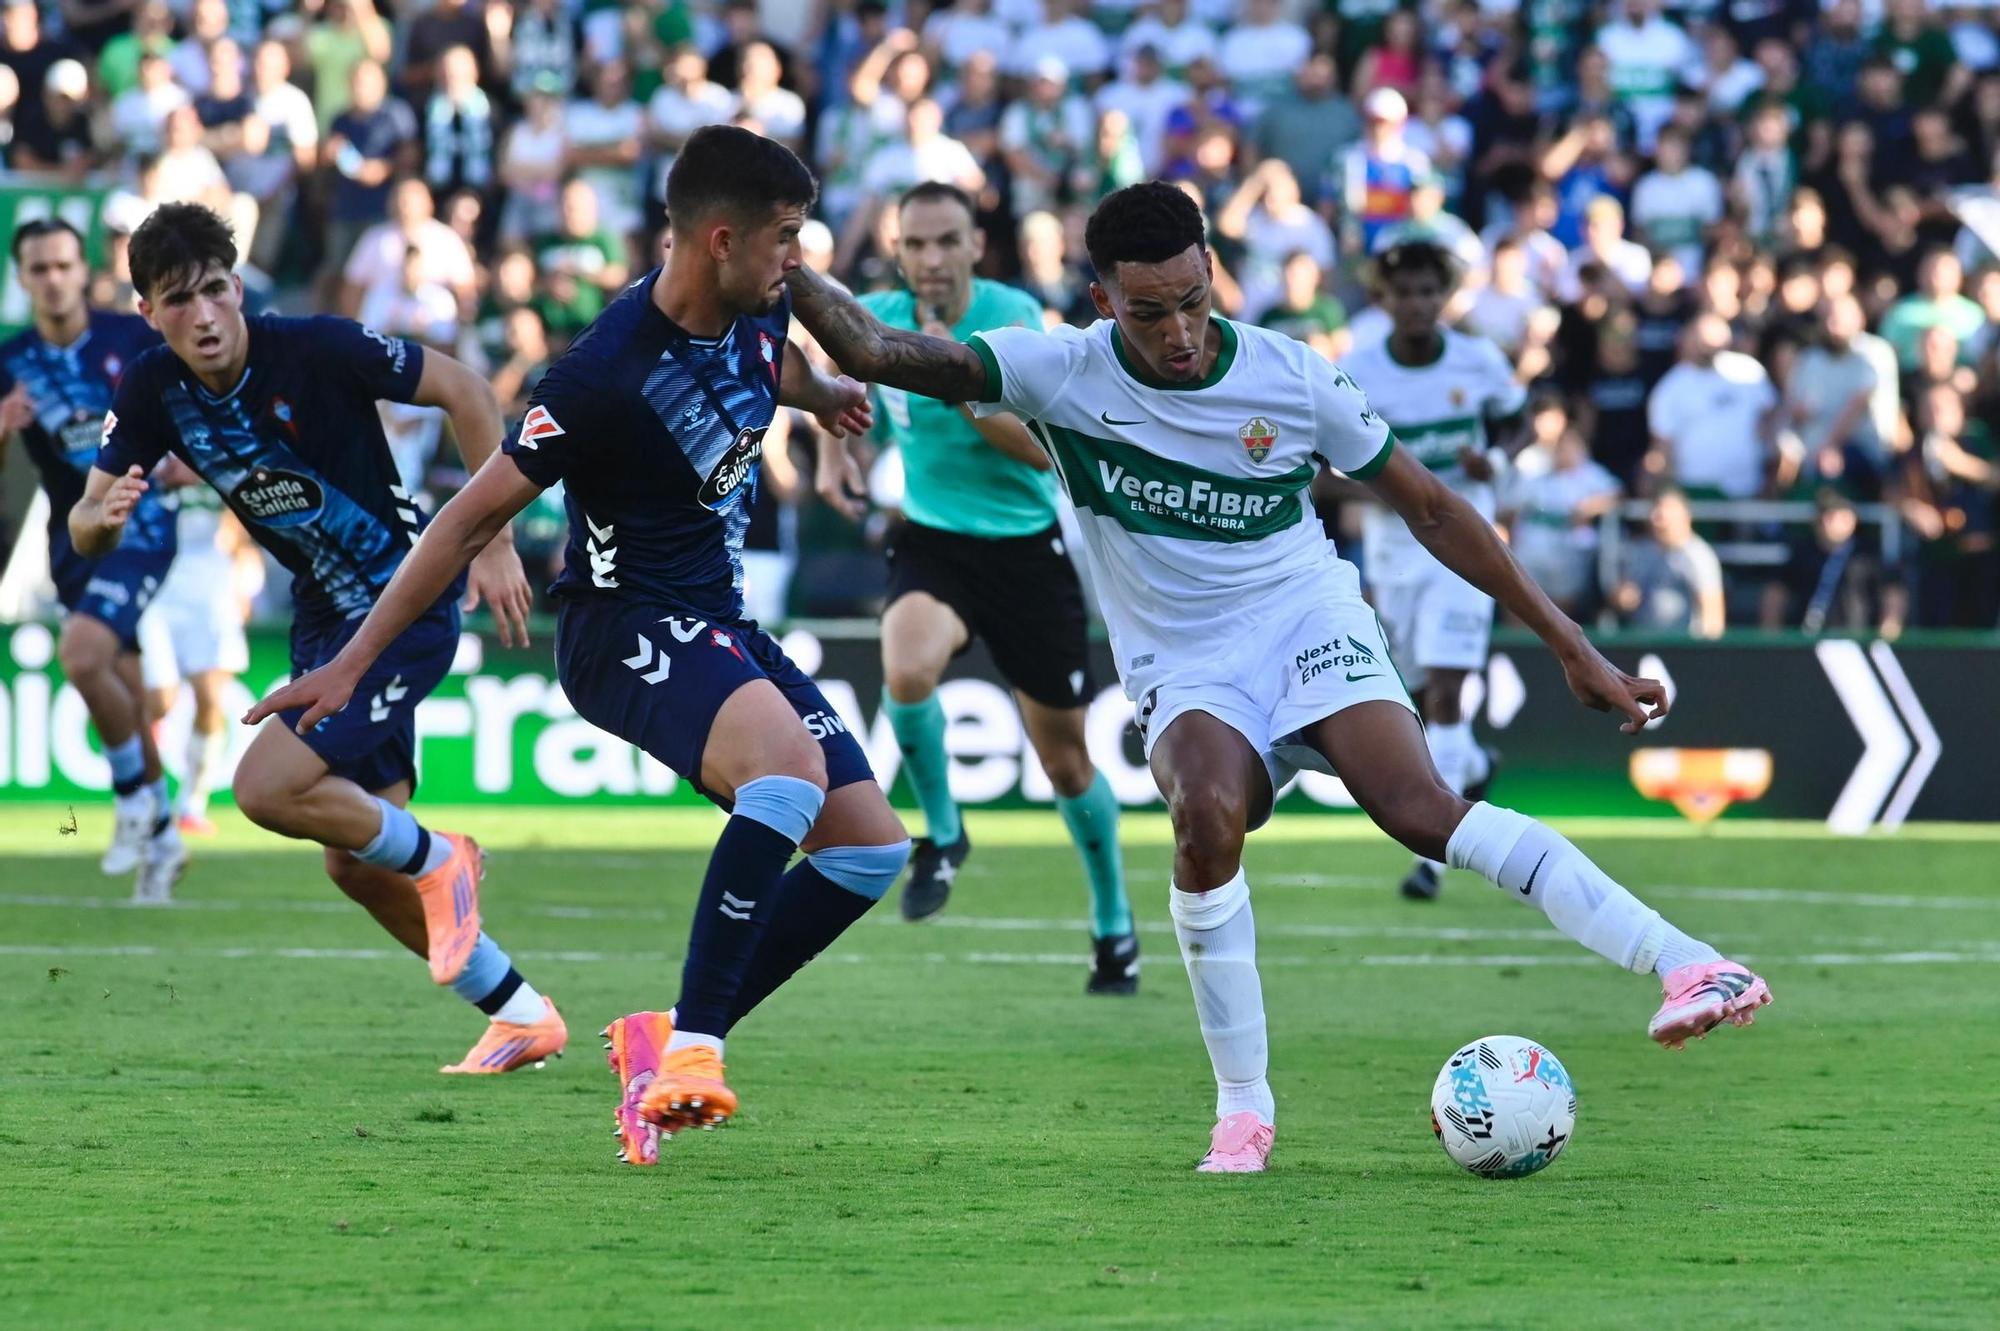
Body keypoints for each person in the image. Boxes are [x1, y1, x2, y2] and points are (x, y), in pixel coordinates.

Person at [787, 180, 1770, 1174]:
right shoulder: (1058, 371)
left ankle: (1687, 961)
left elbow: (1431, 506)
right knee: (1207, 814)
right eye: (1146, 311)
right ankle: (1243, 1109)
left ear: (1213, 272)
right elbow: (874, 352)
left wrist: (1570, 643)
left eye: (1192, 300)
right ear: (1100, 300)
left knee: (1418, 807)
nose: (1177, 331)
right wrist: (785, 268)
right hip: (1183, 657)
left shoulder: (1292, 376)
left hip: (1305, 616)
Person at [248, 128, 911, 1167]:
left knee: (868, 848)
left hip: (719, 621)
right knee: (784, 775)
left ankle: (663, 1032)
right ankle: (694, 1053)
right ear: (721, 239)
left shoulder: (761, 301)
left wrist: (824, 397)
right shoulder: (601, 375)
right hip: (622, 625)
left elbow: (764, 366)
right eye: (786, 236)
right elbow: (464, 520)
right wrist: (351, 661)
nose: (799, 256)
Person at [69, 202, 559, 1075]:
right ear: (148, 312)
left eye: (215, 290)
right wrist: (101, 521)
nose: (205, 315)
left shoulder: (317, 345)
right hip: (323, 615)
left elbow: (468, 389)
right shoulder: (150, 388)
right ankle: (520, 1012)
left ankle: (445, 858)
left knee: (264, 788)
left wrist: (492, 542)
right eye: (179, 300)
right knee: (357, 864)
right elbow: (83, 522)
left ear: (238, 285)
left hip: (403, 598)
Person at [830, 181, 1138, 991]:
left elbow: (1044, 452)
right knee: (905, 669)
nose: (931, 258)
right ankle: (942, 833)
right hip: (932, 541)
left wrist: (955, 377)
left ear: (975, 245)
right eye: (915, 243)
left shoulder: (1013, 319)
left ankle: (1113, 921)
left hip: (1025, 552)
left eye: (946, 241)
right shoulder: (875, 317)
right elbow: (834, 376)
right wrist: (833, 452)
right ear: (897, 251)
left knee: (1066, 764)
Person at [0, 218, 181, 899]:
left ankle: (131, 797)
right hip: (71, 539)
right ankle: (163, 836)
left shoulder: (130, 339)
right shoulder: (11, 362)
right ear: (22, 278)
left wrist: (188, 462)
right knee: (125, 691)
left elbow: (191, 405)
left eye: (62, 265)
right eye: (39, 268)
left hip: (141, 523)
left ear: (83, 271)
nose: (52, 279)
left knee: (79, 655)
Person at [1342, 241, 1527, 902]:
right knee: (1420, 696)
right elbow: (1328, 463)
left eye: (1429, 291)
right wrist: (1363, 490)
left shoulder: (1478, 359)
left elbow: (1520, 423)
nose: (1418, 304)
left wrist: (1496, 462)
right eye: (1405, 292)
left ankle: (1434, 858)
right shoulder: (1358, 370)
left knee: (1447, 691)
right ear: (1384, 298)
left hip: (1463, 541)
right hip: (1394, 551)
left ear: (1445, 296)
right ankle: (1473, 764)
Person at [136, 460, 253, 835]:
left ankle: (191, 804)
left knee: (211, 699)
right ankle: (145, 793)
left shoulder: (220, 446)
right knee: (160, 699)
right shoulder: (145, 440)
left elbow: (247, 511)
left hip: (211, 588)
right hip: (157, 584)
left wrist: (243, 578)